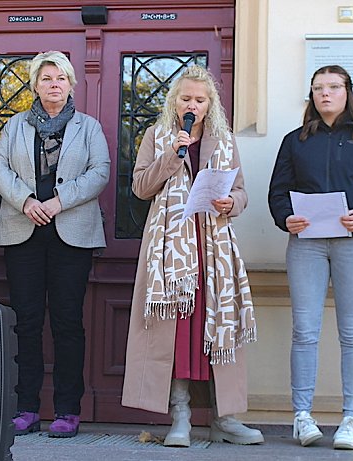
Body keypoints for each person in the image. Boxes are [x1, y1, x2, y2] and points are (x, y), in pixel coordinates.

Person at [121, 65, 263, 447]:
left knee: (219, 328)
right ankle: (179, 416)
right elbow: (140, 186)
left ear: (209, 103)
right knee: (179, 332)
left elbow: (243, 194)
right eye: (186, 98)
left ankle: (226, 418)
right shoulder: (158, 135)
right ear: (174, 101)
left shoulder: (225, 141)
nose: (193, 105)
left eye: (200, 100)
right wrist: (172, 155)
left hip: (214, 251)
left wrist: (230, 201)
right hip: (171, 253)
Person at [268, 65, 353, 450]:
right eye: (317, 88)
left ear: (348, 92)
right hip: (307, 244)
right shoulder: (296, 141)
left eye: (333, 87)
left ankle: (351, 418)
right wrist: (286, 219)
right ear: (311, 95)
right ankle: (302, 416)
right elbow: (278, 193)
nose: (325, 94)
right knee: (305, 331)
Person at [0, 51, 110, 439]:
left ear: (71, 84)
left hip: (71, 234)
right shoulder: (14, 127)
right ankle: (25, 407)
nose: (54, 84)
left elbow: (100, 172)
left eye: (60, 78)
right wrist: (26, 201)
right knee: (25, 323)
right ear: (35, 85)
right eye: (46, 78)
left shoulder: (88, 127)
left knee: (67, 322)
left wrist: (59, 201)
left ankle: (67, 410)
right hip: (22, 231)